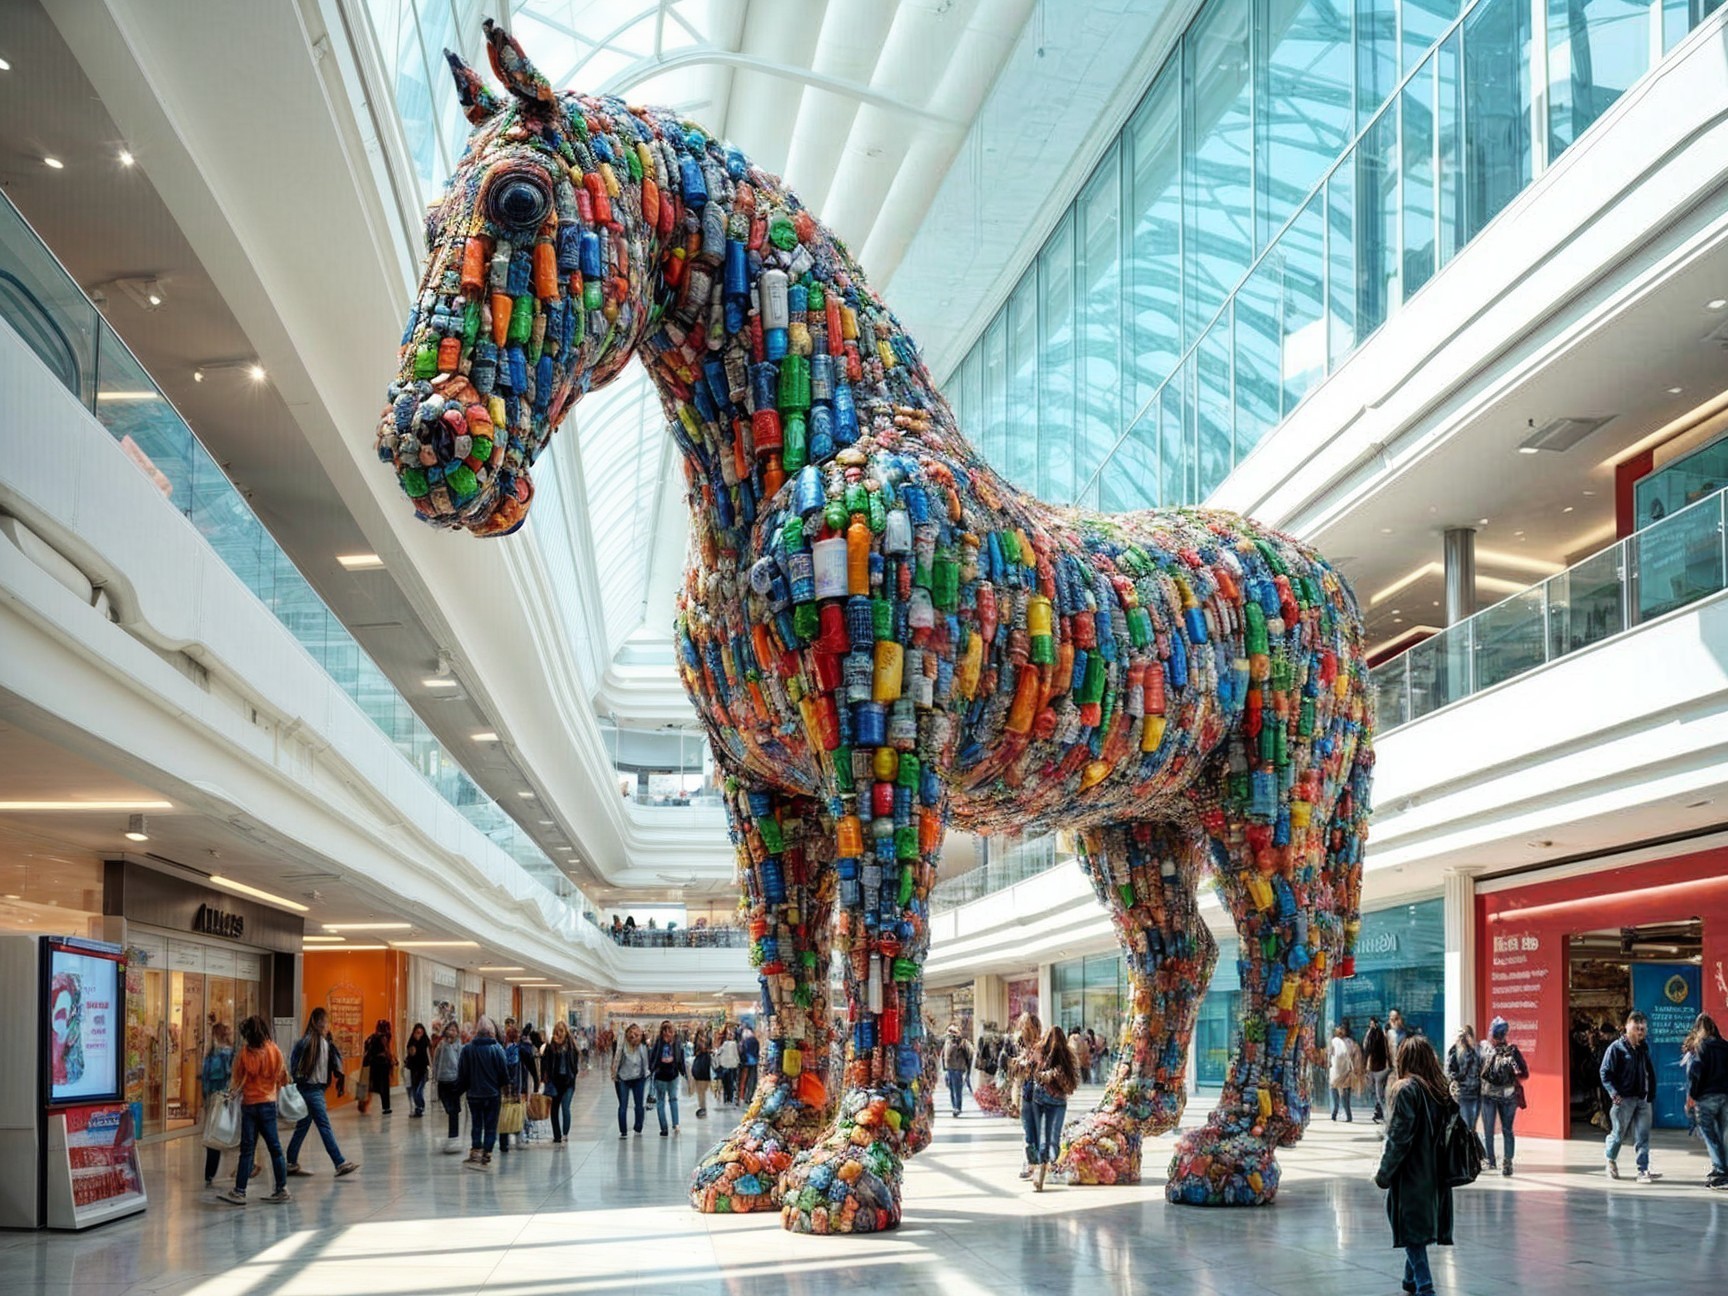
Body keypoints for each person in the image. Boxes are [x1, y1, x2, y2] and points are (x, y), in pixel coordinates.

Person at [1373, 1037, 1455, 1296]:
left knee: (1409, 1229)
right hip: (1436, 1171)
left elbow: (1399, 1137)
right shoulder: (1439, 1090)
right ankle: (1409, 1282)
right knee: (1416, 1226)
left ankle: (1424, 1285)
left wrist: (1384, 1174)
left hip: (1412, 1173)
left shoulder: (1406, 1089)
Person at [215, 1016, 291, 1206]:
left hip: (249, 1105)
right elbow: (283, 1078)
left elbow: (237, 1078)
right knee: (275, 1148)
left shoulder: (244, 1054)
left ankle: (240, 1191)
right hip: (268, 1104)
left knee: (247, 1149)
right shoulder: (273, 1051)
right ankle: (281, 1188)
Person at [285, 1007, 358, 1180]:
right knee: (324, 1126)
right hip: (314, 1090)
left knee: (302, 1127)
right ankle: (339, 1162)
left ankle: (290, 1162)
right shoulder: (320, 1043)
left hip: (305, 1089)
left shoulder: (308, 1042)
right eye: (325, 1021)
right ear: (320, 1023)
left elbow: (293, 1065)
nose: (327, 1025)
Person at [1601, 1010, 1660, 1182]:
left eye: (1643, 1029)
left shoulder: (1644, 1048)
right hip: (1623, 1100)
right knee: (1619, 1134)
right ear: (1627, 1027)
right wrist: (1613, 1092)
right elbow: (1605, 1072)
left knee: (1643, 1135)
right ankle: (1610, 1159)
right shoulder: (1616, 1049)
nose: (1640, 1032)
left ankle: (1643, 1169)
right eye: (1636, 1028)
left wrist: (1651, 1093)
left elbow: (1649, 1071)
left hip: (1643, 1099)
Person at [1025, 1024, 1079, 1192]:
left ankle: (1040, 1171)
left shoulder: (1041, 1052)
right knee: (1053, 1139)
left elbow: (1030, 1072)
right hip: (1059, 1102)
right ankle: (1046, 1166)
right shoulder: (1067, 1056)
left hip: (1040, 1100)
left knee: (1043, 1137)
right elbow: (1074, 1080)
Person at [456, 1016, 508, 1170]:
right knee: (491, 1125)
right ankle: (487, 1152)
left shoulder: (468, 1049)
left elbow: (463, 1073)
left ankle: (475, 1151)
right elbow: (503, 1072)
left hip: (474, 1095)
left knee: (477, 1123)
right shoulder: (497, 1049)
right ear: (491, 1032)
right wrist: (504, 1087)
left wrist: (460, 1090)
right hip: (492, 1095)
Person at [1479, 1016, 1528, 1176]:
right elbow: (1523, 1073)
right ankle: (1507, 1162)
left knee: (1488, 1130)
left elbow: (1478, 1073)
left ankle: (1490, 1160)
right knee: (1508, 1130)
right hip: (1508, 1095)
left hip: (1488, 1095)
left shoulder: (1484, 1049)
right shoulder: (1512, 1051)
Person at [1685, 1013, 1728, 1189]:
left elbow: (1695, 1072)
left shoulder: (1702, 1047)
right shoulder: (1725, 1046)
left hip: (1706, 1098)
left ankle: (1720, 1171)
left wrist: (1693, 1095)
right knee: (1724, 1134)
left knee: (1710, 1136)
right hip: (1725, 1096)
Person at [200, 1022, 234, 1187]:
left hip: (214, 1098)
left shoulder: (211, 1055)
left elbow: (206, 1080)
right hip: (227, 1097)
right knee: (227, 1131)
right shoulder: (228, 1054)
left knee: (214, 1133)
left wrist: (206, 1097)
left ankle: (209, 1173)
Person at [1008, 1012, 1043, 1174]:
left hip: (1040, 1094)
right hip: (1028, 1093)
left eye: (1025, 1027)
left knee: (1036, 1130)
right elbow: (1017, 1077)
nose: (1022, 1031)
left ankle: (1037, 1163)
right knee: (1029, 1129)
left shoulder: (1042, 1047)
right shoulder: (1024, 1048)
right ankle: (1031, 1163)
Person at [542, 1020, 580, 1146]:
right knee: (554, 1109)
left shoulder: (571, 1046)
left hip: (568, 1082)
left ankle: (565, 1133)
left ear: (566, 1032)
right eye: (557, 1031)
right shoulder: (551, 1046)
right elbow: (545, 1062)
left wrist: (574, 1073)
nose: (559, 1033)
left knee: (565, 1108)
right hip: (555, 1081)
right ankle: (557, 1135)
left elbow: (575, 1062)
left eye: (561, 1030)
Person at [1444, 1025, 1483, 1141]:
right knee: (1466, 1125)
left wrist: (1473, 1046)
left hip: (1476, 1092)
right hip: (1463, 1094)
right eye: (1462, 1035)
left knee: (1473, 1126)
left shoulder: (1476, 1050)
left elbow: (1483, 1065)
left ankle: (1471, 1154)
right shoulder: (1454, 1051)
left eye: (1467, 1035)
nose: (1464, 1038)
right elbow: (1449, 1071)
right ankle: (1466, 1154)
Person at [613, 1023, 651, 1138]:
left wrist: (615, 1073)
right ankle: (637, 1128)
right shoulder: (641, 1045)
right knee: (637, 1105)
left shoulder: (625, 1044)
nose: (634, 1037)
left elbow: (617, 1059)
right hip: (632, 1078)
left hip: (629, 1078)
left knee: (624, 1105)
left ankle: (625, 1131)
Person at [649, 1020, 687, 1136]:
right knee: (668, 1100)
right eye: (667, 1032)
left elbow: (680, 1058)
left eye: (669, 1031)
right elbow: (679, 1058)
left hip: (667, 1075)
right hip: (666, 1076)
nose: (668, 1034)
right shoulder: (669, 1042)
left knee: (666, 1100)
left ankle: (670, 1126)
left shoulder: (663, 1042)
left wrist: (683, 1071)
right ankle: (670, 1126)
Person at [433, 1020, 464, 1151]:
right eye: (450, 1029)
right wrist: (434, 1076)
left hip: (454, 1080)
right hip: (442, 1080)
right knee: (448, 1108)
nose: (452, 1032)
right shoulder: (441, 1045)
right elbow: (436, 1061)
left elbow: (460, 1062)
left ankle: (453, 1137)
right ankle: (453, 1136)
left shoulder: (459, 1046)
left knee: (454, 1111)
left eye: (454, 1030)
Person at [1328, 1023, 1363, 1121]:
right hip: (1335, 1072)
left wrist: (1356, 1070)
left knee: (1345, 1098)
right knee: (1335, 1095)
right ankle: (1334, 1114)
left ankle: (1348, 1116)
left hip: (1346, 1072)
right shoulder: (1333, 1042)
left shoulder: (1350, 1043)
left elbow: (1356, 1057)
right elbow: (1329, 1055)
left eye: (1342, 1029)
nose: (1340, 1031)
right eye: (1339, 1029)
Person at [362, 1019, 395, 1116]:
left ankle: (362, 1105)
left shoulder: (371, 1038)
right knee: (384, 1086)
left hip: (371, 1064)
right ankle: (386, 1107)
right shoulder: (383, 1037)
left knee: (367, 1084)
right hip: (382, 1064)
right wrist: (392, 1060)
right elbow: (386, 1051)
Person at [942, 1023, 974, 1118]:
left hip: (957, 1069)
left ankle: (958, 1108)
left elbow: (969, 1054)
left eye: (952, 1032)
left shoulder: (961, 1042)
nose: (950, 1034)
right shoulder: (947, 1042)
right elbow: (943, 1054)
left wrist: (966, 1068)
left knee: (957, 1090)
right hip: (949, 1069)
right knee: (952, 1089)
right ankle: (954, 1107)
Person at [1364, 1016, 1391, 1122]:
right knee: (1378, 1091)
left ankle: (1382, 1112)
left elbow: (1368, 1048)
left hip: (1380, 1067)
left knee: (1379, 1092)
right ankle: (1379, 1111)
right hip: (1379, 1067)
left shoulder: (1376, 1034)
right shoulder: (1376, 1034)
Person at [403, 1023, 431, 1118]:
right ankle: (418, 1108)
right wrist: (414, 1043)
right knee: (414, 1090)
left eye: (421, 1032)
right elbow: (411, 1053)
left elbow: (428, 1055)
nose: (419, 1034)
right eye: (417, 1032)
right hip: (413, 1070)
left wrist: (431, 1067)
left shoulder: (426, 1042)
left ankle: (421, 1106)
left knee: (419, 1090)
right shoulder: (411, 1042)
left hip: (423, 1070)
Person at [715, 1024, 741, 1106]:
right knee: (731, 1083)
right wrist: (738, 1062)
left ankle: (726, 1098)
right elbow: (736, 1055)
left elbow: (718, 1053)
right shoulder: (734, 1044)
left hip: (724, 1066)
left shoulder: (724, 1044)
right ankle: (730, 1098)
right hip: (732, 1066)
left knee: (725, 1083)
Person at [691, 1025, 714, 1118]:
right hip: (703, 1068)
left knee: (701, 1091)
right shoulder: (702, 1042)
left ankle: (702, 1107)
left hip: (701, 1069)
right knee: (701, 1091)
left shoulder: (701, 1041)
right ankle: (702, 1108)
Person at [739, 1023, 761, 1106]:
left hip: (746, 1063)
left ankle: (742, 1097)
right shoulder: (755, 1041)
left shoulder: (744, 1041)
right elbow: (757, 1051)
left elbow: (742, 1051)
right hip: (754, 1062)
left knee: (744, 1080)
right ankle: (750, 1097)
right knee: (752, 1080)